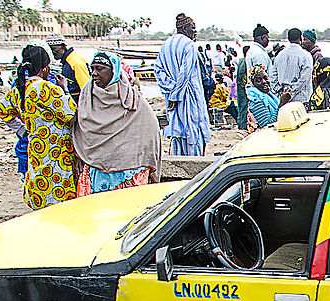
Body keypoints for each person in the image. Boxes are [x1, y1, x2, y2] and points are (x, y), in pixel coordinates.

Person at [0, 44, 78, 210]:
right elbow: (71, 114)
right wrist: (65, 90)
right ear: (45, 68)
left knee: (39, 178)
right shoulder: (46, 89)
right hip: (57, 147)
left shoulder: (20, 89)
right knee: (58, 185)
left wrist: (23, 131)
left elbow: (3, 111)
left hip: (35, 146)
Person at [72, 51, 161, 197]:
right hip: (96, 168)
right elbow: (83, 127)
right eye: (92, 68)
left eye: (100, 69)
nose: (94, 73)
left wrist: (139, 158)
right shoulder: (87, 94)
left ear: (113, 71)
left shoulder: (131, 98)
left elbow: (149, 129)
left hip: (128, 169)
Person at [154, 13, 211, 156]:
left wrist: (170, 88)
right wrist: (175, 95)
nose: (195, 31)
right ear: (185, 29)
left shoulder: (165, 45)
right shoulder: (189, 45)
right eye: (193, 28)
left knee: (178, 132)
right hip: (189, 96)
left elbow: (158, 71)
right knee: (194, 131)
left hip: (174, 97)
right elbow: (185, 72)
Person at [273, 28, 314, 106]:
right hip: (300, 100)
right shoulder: (306, 55)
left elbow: (273, 76)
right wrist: (290, 93)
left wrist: (281, 91)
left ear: (288, 39)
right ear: (301, 38)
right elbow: (304, 79)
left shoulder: (280, 55)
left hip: (282, 99)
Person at [45, 33, 90, 105]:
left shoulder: (75, 61)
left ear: (63, 47)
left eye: (54, 49)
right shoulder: (67, 60)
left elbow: (86, 87)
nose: (52, 53)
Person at [246, 65, 279, 130]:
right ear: (253, 84)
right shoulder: (256, 100)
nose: (264, 82)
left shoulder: (270, 96)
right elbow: (267, 125)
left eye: (265, 78)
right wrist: (281, 105)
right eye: (258, 80)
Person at [246, 24, 276, 94]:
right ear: (263, 37)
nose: (268, 41)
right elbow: (261, 78)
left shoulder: (252, 50)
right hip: (261, 93)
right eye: (268, 38)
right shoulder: (260, 54)